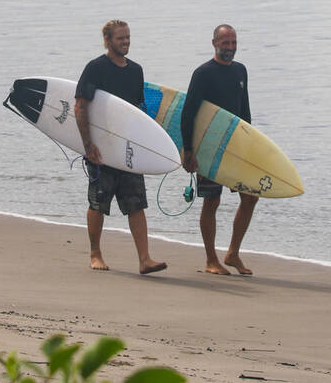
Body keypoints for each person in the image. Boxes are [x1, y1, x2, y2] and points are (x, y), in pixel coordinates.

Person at [75, 19, 167, 275]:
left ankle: (145, 259)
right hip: (101, 149)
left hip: (128, 150)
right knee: (98, 203)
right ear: (108, 40)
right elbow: (80, 106)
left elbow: (137, 113)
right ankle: (95, 254)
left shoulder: (136, 71)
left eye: (127, 37)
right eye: (120, 38)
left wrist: (145, 146)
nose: (125, 42)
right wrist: (88, 145)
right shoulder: (95, 68)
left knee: (136, 204)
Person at [181, 23, 258, 275]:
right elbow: (188, 112)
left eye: (233, 43)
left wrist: (250, 145)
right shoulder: (203, 73)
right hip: (209, 148)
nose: (230, 48)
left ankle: (233, 253)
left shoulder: (240, 71)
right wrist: (189, 150)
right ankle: (210, 259)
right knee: (212, 201)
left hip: (235, 146)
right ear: (214, 43)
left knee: (251, 196)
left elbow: (244, 112)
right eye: (225, 43)